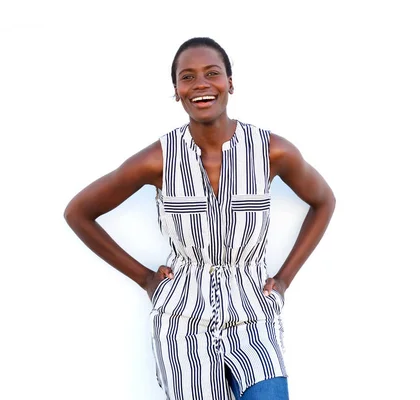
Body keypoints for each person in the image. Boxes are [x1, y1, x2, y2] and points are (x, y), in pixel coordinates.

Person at [63, 37, 336, 400]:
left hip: (253, 315)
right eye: (187, 77)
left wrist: (284, 280)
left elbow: (324, 201)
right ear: (176, 91)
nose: (201, 85)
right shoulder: (158, 158)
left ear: (230, 83)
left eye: (212, 73)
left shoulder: (272, 152)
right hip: (182, 324)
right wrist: (145, 279)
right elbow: (78, 212)